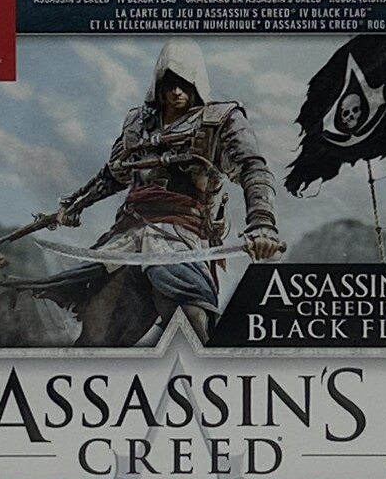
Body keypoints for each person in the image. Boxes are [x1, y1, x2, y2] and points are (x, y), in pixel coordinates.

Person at [29, 39, 285, 344]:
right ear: (158, 84)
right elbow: (113, 174)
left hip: (182, 239)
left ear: (197, 83)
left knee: (191, 320)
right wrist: (74, 205)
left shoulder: (221, 120)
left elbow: (253, 169)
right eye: (169, 83)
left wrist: (262, 224)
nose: (176, 91)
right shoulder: (137, 124)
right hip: (127, 236)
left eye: (184, 83)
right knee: (93, 334)